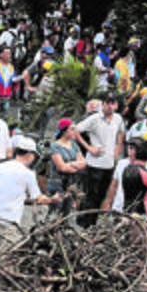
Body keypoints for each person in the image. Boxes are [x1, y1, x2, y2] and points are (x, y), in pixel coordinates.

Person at [0, 136, 61, 251]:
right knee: (10, 256)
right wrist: (53, 199)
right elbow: (39, 198)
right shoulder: (27, 173)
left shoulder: (1, 166)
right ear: (30, 154)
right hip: (7, 221)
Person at [75, 94, 126, 225]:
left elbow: (121, 132)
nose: (110, 106)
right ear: (103, 104)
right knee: (91, 195)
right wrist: (89, 147)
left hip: (108, 163)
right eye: (107, 103)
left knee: (101, 195)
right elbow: (75, 130)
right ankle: (83, 222)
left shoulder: (118, 119)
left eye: (112, 103)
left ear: (116, 105)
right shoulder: (95, 118)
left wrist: (118, 148)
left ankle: (93, 222)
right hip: (94, 163)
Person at [47, 119, 88, 217]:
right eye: (72, 129)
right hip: (58, 183)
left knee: (67, 212)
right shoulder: (55, 146)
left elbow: (83, 162)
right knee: (55, 213)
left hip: (70, 184)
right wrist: (75, 165)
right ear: (64, 131)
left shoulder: (74, 145)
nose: (75, 132)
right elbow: (61, 167)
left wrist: (70, 165)